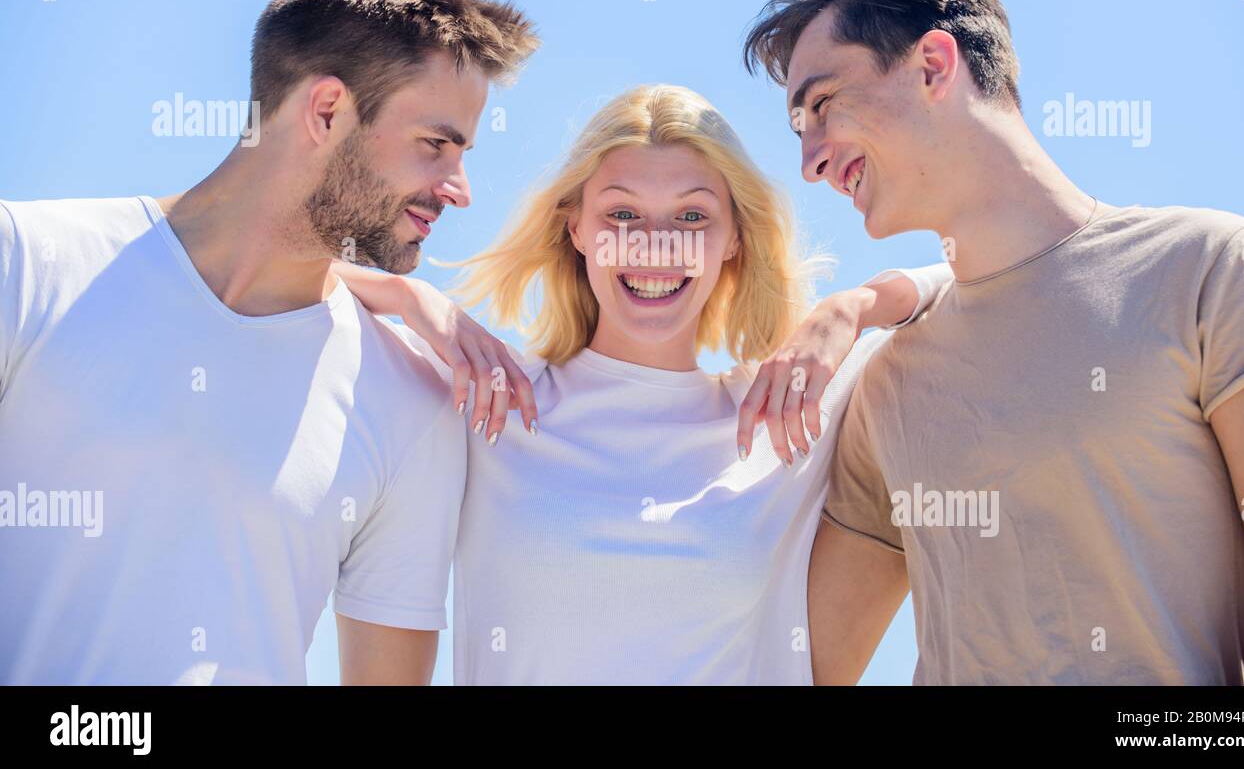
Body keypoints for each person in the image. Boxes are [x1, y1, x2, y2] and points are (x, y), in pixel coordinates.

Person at [741, 0, 1244, 684]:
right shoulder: (884, 392)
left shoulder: (1212, 271)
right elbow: (798, 660)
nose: (808, 160)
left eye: (822, 104)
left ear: (934, 65)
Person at [0, 0, 538, 684]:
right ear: (325, 110)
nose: (460, 187)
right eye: (435, 146)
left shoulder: (412, 401)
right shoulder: (25, 264)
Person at [341, 83, 950, 683]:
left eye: (691, 216)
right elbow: (277, 276)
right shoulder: (490, 395)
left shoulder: (784, 407)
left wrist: (853, 306)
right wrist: (406, 294)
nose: (655, 245)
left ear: (734, 237)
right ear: (575, 228)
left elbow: (981, 280)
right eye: (622, 214)